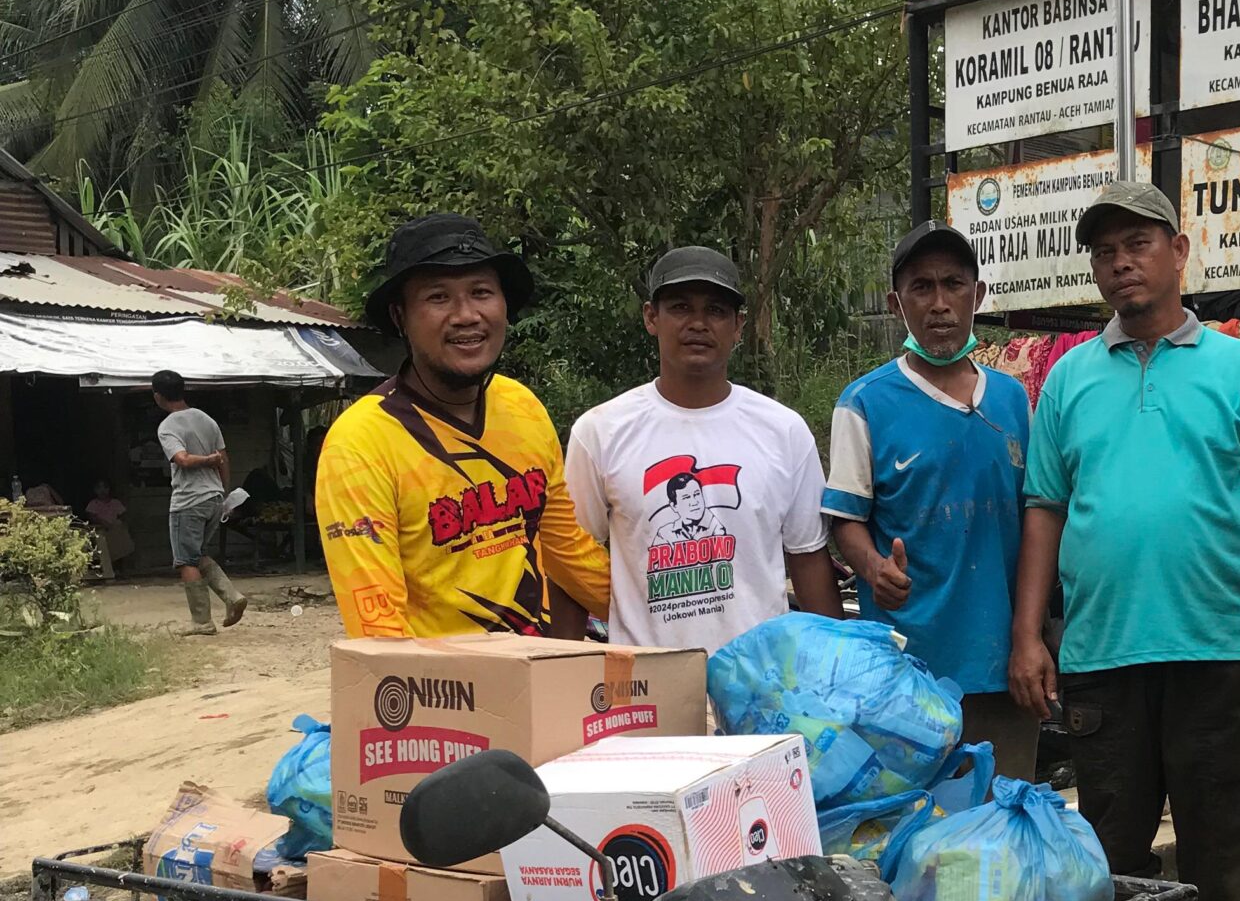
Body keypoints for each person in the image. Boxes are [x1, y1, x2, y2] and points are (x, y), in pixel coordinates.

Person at [1009, 180, 1240, 901]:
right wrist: (1029, 633)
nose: (1121, 263)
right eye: (1104, 250)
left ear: (1180, 251)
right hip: (1100, 651)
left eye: (1138, 243)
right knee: (1110, 846)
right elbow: (1045, 511)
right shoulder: (1069, 380)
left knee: (1227, 836)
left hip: (1215, 644)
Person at [315, 214, 609, 640]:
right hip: (444, 696)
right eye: (438, 297)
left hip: (542, 680)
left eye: (482, 293)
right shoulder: (361, 444)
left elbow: (570, 554)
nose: (466, 315)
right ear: (400, 316)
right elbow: (378, 633)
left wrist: (665, 620)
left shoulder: (521, 406)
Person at [823, 221, 1035, 776]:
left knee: (1003, 827)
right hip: (906, 673)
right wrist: (873, 569)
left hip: (1004, 667)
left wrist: (1035, 636)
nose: (939, 304)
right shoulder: (864, 403)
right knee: (916, 833)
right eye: (921, 287)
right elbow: (845, 519)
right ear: (897, 304)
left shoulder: (1013, 400)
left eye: (953, 284)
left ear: (978, 295)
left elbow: (1039, 521)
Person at [566, 246, 839, 650]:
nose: (698, 323)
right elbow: (571, 565)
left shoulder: (784, 431)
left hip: (759, 686)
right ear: (650, 317)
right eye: (680, 307)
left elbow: (808, 558)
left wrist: (833, 670)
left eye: (715, 310)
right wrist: (562, 680)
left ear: (738, 325)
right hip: (647, 684)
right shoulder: (600, 432)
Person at [152, 371, 245, 634]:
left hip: (188, 500)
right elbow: (224, 459)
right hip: (214, 497)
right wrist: (224, 494)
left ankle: (202, 622)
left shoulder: (168, 426)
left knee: (185, 561)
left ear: (157, 396)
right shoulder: (207, 419)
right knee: (196, 554)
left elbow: (181, 459)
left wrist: (205, 461)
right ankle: (232, 596)